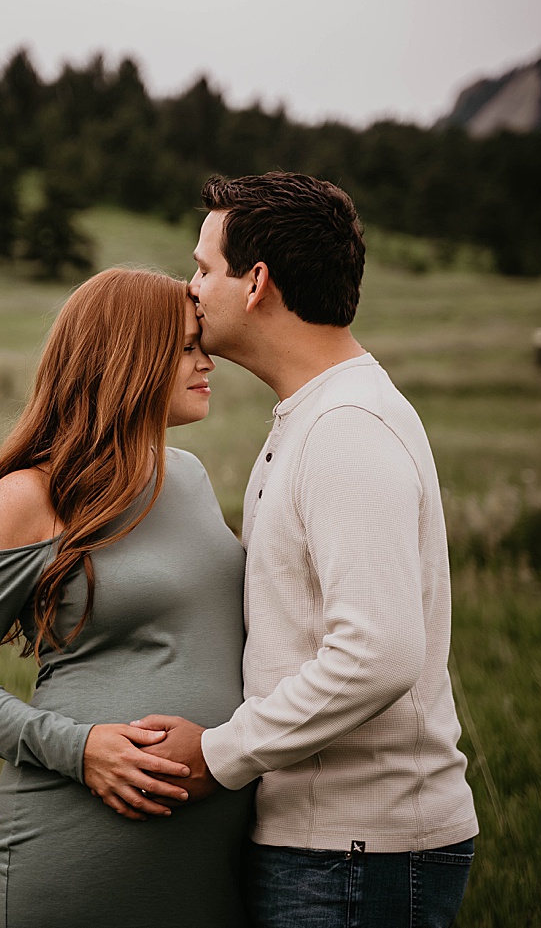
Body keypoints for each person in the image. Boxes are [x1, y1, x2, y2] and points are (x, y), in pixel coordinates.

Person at [132, 172, 477, 928]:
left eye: (202, 267)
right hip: (337, 848)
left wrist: (219, 753)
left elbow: (379, 650)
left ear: (255, 282)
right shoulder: (317, 414)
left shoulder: (346, 427)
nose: (189, 289)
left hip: (356, 854)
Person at [0, 267, 254, 928]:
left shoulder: (189, 474)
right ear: (130, 358)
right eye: (186, 346)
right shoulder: (29, 497)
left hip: (215, 854)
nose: (207, 360)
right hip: (82, 847)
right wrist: (81, 748)